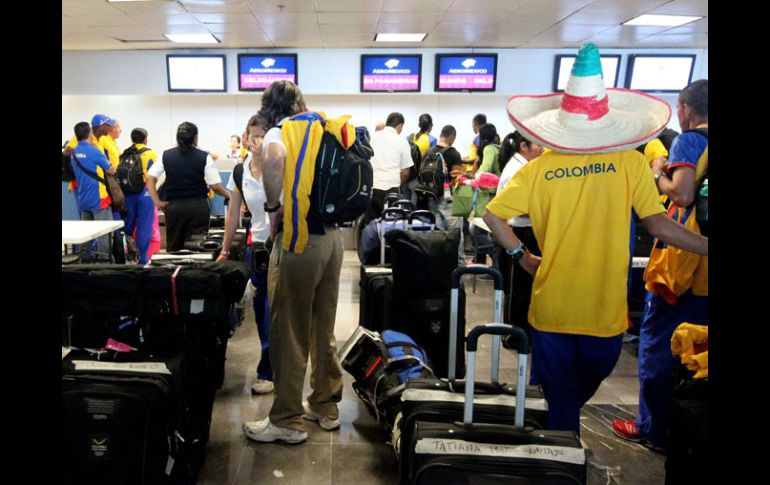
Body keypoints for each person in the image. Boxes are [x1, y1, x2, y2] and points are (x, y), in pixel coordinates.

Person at [481, 43, 708, 434]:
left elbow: (492, 214)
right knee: (586, 381)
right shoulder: (631, 163)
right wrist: (706, 246)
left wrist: (522, 256)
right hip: (604, 308)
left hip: (552, 303)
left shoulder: (539, 169)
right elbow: (658, 224)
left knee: (559, 393)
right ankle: (563, 444)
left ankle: (559, 439)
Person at [242, 80, 346, 444]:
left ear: (267, 106)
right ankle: (324, 404)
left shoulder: (280, 131)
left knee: (287, 329)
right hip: (334, 240)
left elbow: (272, 159)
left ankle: (286, 420)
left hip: (299, 240)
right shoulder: (322, 128)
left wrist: (273, 209)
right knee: (322, 326)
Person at [612, 79, 709, 450]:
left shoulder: (690, 141)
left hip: (686, 267)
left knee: (662, 342)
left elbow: (682, 194)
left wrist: (656, 173)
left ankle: (655, 428)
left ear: (685, 109)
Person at [217, 114, 274, 395]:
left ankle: (286, 370)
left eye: (263, 134)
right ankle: (267, 370)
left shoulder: (283, 167)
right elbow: (232, 214)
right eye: (253, 134)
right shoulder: (241, 171)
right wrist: (225, 249)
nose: (257, 140)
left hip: (286, 247)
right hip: (258, 249)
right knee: (263, 309)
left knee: (283, 311)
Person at [146, 122, 230, 251]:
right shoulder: (204, 157)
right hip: (198, 206)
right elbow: (215, 186)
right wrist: (229, 195)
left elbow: (150, 178)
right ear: (195, 138)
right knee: (197, 246)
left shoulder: (166, 155)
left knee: (174, 246)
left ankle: (175, 270)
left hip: (173, 207)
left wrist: (156, 201)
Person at [495, 131, 543, 332]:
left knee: (522, 287)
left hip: (522, 230)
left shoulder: (523, 166)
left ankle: (519, 332)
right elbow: (519, 209)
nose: (542, 150)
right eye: (538, 146)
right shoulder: (518, 170)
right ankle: (516, 335)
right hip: (518, 232)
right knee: (519, 289)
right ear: (524, 147)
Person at [69, 121, 116, 262]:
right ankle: (104, 261)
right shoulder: (95, 151)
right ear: (90, 133)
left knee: (86, 232)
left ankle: (84, 260)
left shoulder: (74, 152)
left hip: (83, 199)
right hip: (98, 198)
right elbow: (110, 170)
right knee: (104, 232)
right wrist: (111, 166)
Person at [363, 112, 414, 226]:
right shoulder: (401, 141)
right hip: (391, 190)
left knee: (370, 225)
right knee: (390, 225)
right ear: (400, 126)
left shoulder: (372, 137)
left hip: (371, 188)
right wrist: (399, 185)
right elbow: (405, 173)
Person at [121, 128, 157, 265]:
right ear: (145, 138)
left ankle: (127, 256)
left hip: (127, 193)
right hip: (144, 193)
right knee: (144, 225)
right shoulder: (150, 153)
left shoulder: (124, 153)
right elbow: (154, 175)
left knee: (127, 226)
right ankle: (142, 258)